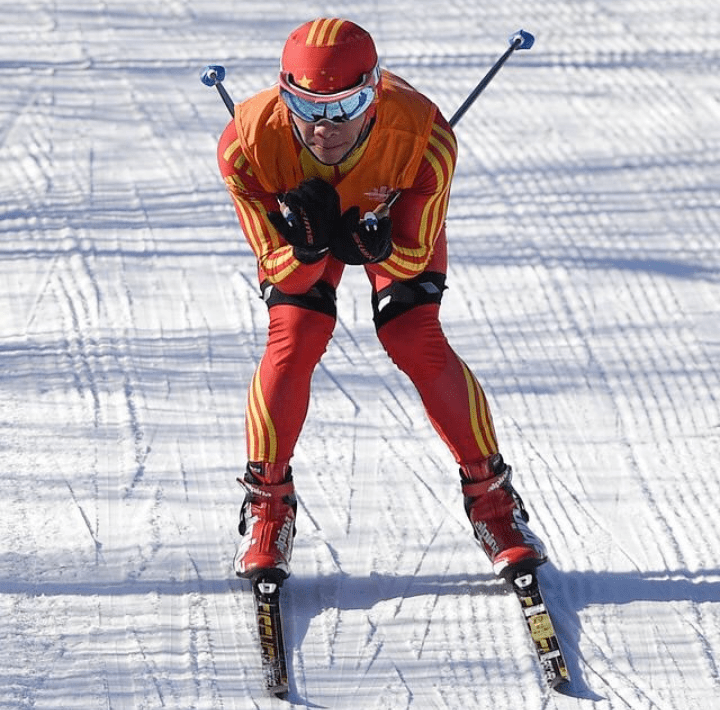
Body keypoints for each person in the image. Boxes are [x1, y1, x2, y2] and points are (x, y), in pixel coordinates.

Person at [216, 18, 547, 584]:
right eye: (305, 105)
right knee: (296, 335)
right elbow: (282, 273)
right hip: (307, 239)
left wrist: (378, 247)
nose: (324, 127)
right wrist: (312, 246)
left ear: (374, 93)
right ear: (281, 92)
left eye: (347, 106)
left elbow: (414, 258)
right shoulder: (246, 147)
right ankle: (269, 508)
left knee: (411, 335)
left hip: (391, 223)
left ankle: (494, 504)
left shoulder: (427, 139)